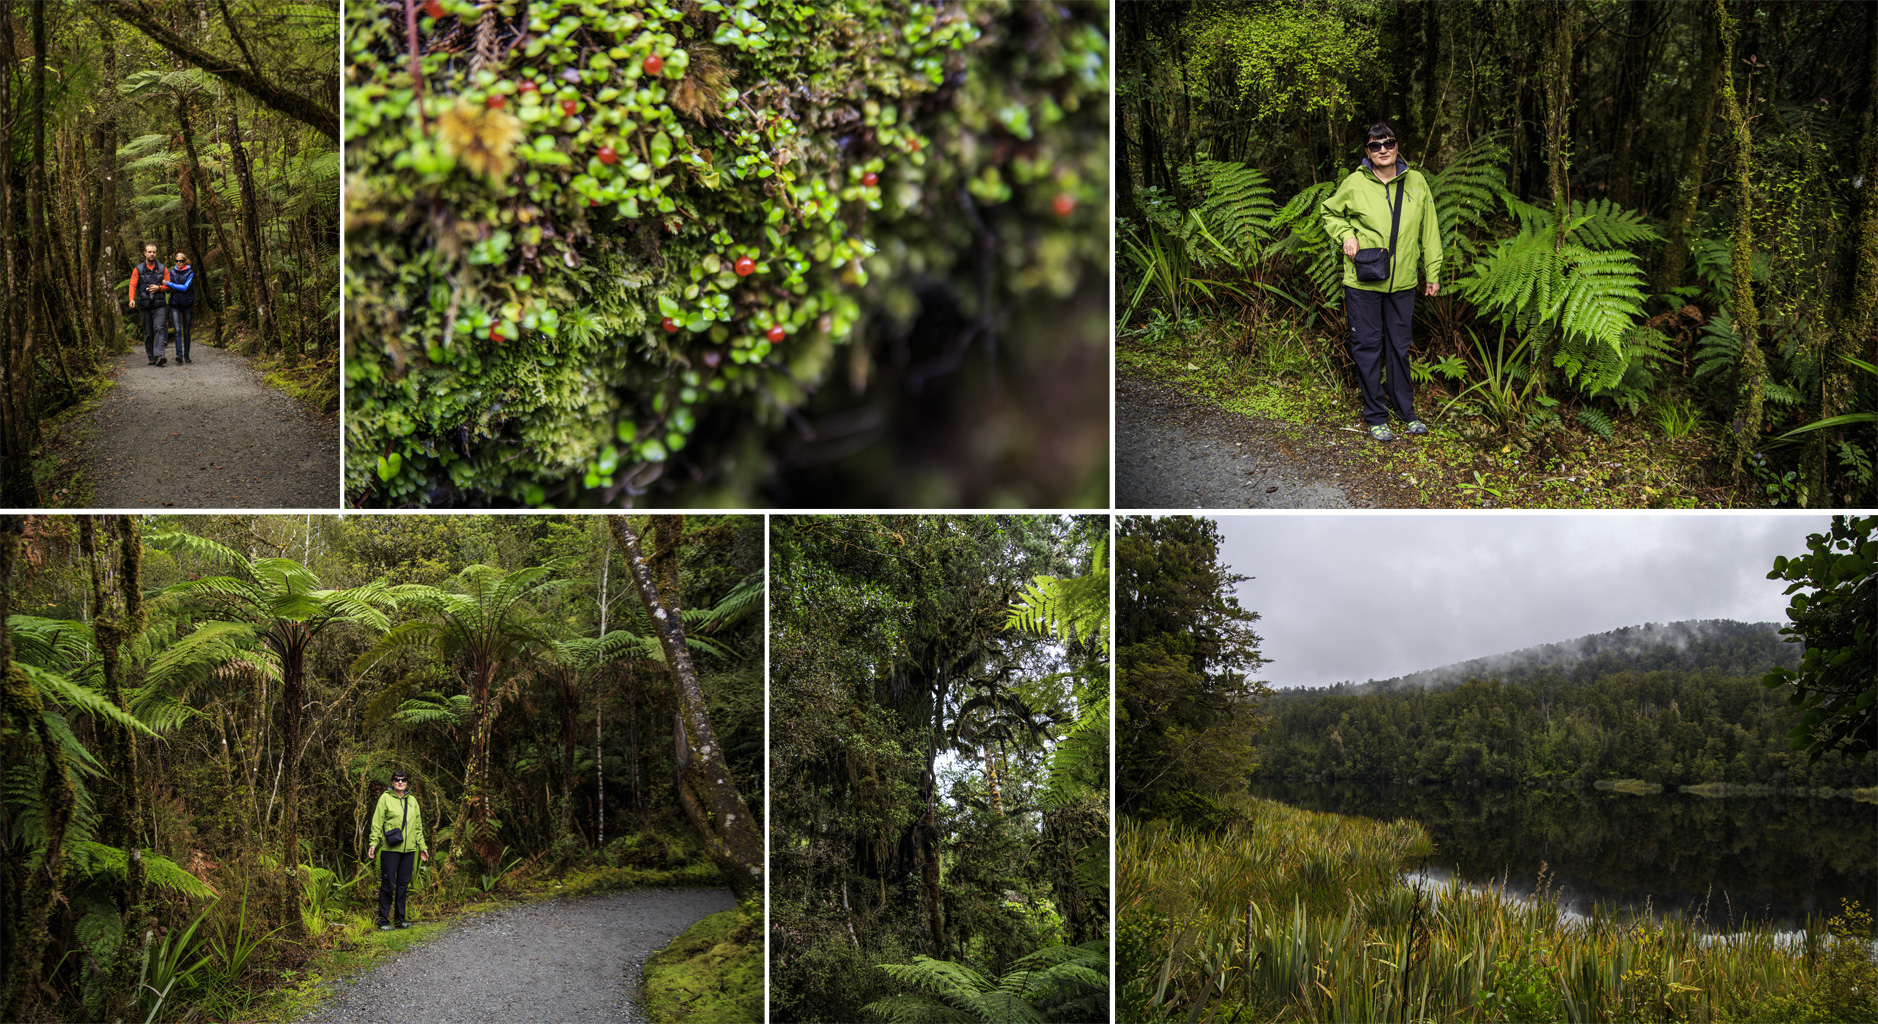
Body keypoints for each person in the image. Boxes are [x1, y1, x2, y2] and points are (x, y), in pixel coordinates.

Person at [1319, 122, 1443, 441]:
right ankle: (1375, 415)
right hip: (1363, 282)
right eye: (1375, 146)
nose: (1383, 149)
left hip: (1401, 282)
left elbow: (1429, 228)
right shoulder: (1354, 183)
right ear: (1367, 152)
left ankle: (1406, 411)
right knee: (1367, 347)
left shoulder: (1416, 182)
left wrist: (1432, 272)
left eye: (1388, 143)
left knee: (1399, 348)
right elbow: (1329, 212)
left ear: (1398, 146)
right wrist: (1346, 236)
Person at [365, 769, 430, 930]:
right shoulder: (385, 799)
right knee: (388, 883)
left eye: (403, 779)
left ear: (407, 782)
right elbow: (377, 822)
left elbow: (417, 827)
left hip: (409, 850)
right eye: (397, 779)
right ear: (392, 782)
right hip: (391, 849)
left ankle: (400, 919)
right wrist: (373, 843)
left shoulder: (413, 801)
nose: (400, 782)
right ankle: (383, 920)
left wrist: (422, 847)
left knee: (403, 885)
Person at [128, 243, 169, 366]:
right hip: (144, 305)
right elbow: (132, 285)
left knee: (159, 328)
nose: (152, 254)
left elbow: (169, 285)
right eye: (149, 252)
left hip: (159, 305)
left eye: (154, 252)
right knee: (149, 331)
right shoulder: (138, 269)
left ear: (156, 254)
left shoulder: (162, 268)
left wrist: (159, 288)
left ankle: (159, 355)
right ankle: (151, 356)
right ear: (145, 253)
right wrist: (131, 299)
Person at [161, 251, 196, 364]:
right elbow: (168, 289)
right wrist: (164, 286)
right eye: (177, 261)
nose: (178, 263)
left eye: (181, 261)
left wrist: (170, 284)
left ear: (185, 261)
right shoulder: (172, 272)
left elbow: (185, 287)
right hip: (175, 304)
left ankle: (187, 355)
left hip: (187, 304)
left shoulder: (189, 272)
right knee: (177, 330)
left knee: (186, 331)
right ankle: (179, 355)